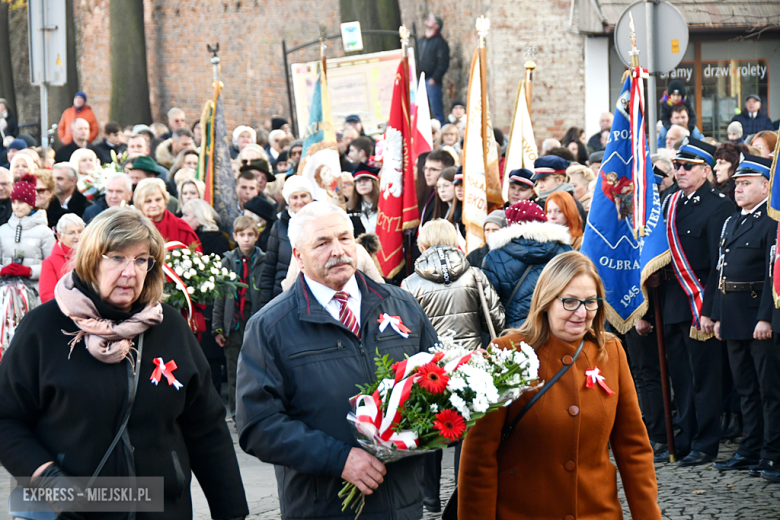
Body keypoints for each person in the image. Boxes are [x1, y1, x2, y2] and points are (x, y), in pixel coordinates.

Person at [0, 207, 249, 519]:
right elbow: (6, 419)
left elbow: (207, 427)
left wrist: (232, 512)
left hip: (159, 508)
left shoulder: (169, 327)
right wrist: (49, 481)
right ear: (91, 259)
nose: (130, 272)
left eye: (141, 259)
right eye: (116, 257)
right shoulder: (44, 328)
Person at [236, 201, 438, 519]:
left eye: (345, 238)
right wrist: (339, 459)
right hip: (324, 506)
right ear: (298, 256)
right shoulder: (270, 326)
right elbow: (258, 425)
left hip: (401, 502)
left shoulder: (401, 304)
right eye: (323, 243)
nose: (338, 250)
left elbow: (438, 380)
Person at [458, 251, 662, 520]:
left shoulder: (611, 352)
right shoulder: (505, 352)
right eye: (570, 302)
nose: (581, 313)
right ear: (546, 301)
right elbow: (478, 459)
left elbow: (633, 448)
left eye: (591, 302)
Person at [401, 219, 504, 513]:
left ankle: (429, 497)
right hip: (471, 362)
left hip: (432, 366)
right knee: (468, 430)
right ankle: (463, 493)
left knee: (432, 426)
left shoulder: (410, 283)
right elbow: (495, 319)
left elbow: (408, 331)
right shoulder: (474, 275)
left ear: (422, 245)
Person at [657, 137, 735, 465]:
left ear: (705, 170)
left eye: (687, 166)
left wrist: (710, 309)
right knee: (682, 377)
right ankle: (686, 436)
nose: (680, 171)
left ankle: (706, 442)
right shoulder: (669, 201)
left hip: (700, 300)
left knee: (705, 377)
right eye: (677, 165)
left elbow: (720, 262)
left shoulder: (719, 205)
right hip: (674, 301)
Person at [711, 154, 780, 478]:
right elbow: (720, 272)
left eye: (746, 183)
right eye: (737, 183)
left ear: (766, 185)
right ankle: (750, 449)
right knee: (745, 390)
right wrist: (717, 315)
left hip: (758, 317)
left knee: (769, 390)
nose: (738, 189)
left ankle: (772, 452)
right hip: (734, 315)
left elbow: (771, 275)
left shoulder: (772, 222)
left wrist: (765, 318)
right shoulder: (732, 221)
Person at [482, 201, 572, 329]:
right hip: (556, 331)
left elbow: (489, 307)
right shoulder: (566, 252)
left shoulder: (494, 257)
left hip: (513, 336)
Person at [212, 215, 266, 422]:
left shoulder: (263, 260)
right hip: (233, 323)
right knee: (234, 371)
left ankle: (256, 411)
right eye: (242, 235)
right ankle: (236, 414)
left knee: (256, 368)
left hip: (254, 321)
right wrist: (218, 328)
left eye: (250, 235)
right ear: (234, 236)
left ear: (257, 236)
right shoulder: (227, 261)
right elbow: (219, 296)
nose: (246, 239)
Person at [258, 176, 314, 306]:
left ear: (311, 197)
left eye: (304, 196)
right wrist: (265, 303)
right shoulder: (279, 226)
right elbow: (269, 268)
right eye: (294, 197)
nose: (299, 201)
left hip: (312, 294)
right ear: (288, 200)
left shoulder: (322, 221)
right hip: (283, 295)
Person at [0, 174, 56, 290]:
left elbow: (53, 264)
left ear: (31, 204)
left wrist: (30, 271)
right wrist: (2, 270)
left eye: (21, 202)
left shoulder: (44, 232)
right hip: (5, 293)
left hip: (35, 292)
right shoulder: (3, 230)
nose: (16, 207)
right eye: (13, 202)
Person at [133, 177, 201, 251]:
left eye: (158, 200)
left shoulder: (181, 227)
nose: (154, 205)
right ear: (139, 204)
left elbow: (197, 256)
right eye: (148, 201)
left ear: (165, 200)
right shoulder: (132, 228)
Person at [38, 213, 84, 303]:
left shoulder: (92, 256)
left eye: (80, 231)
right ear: (59, 236)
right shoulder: (50, 262)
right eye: (71, 233)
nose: (77, 237)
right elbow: (47, 297)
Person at [533, 155, 587, 223]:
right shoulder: (536, 203)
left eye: (544, 180)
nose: (540, 185)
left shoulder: (572, 204)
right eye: (538, 181)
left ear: (559, 180)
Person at [417, 13, 450, 124]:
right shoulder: (421, 41)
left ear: (436, 26)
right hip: (419, 79)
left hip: (431, 80)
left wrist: (435, 78)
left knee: (436, 110)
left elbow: (443, 63)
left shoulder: (440, 43)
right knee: (420, 108)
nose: (428, 19)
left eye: (432, 19)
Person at [420, 149, 455, 225]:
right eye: (425, 168)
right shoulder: (431, 193)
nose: (427, 173)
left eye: (433, 169)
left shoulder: (447, 197)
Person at [345, 163, 379, 236]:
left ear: (374, 183)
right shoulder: (350, 208)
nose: (362, 184)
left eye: (366, 180)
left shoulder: (383, 205)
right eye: (359, 181)